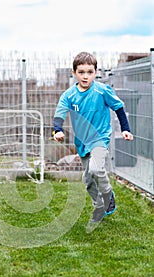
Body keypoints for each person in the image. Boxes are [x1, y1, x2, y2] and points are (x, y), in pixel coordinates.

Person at [53, 51, 133, 225]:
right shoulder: (68, 95)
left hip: (100, 138)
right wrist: (57, 130)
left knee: (95, 169)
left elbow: (119, 107)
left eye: (89, 72)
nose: (85, 76)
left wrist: (125, 129)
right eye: (81, 72)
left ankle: (108, 195)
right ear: (74, 73)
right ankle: (100, 205)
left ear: (95, 72)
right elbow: (59, 115)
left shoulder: (102, 90)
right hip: (82, 142)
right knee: (87, 180)